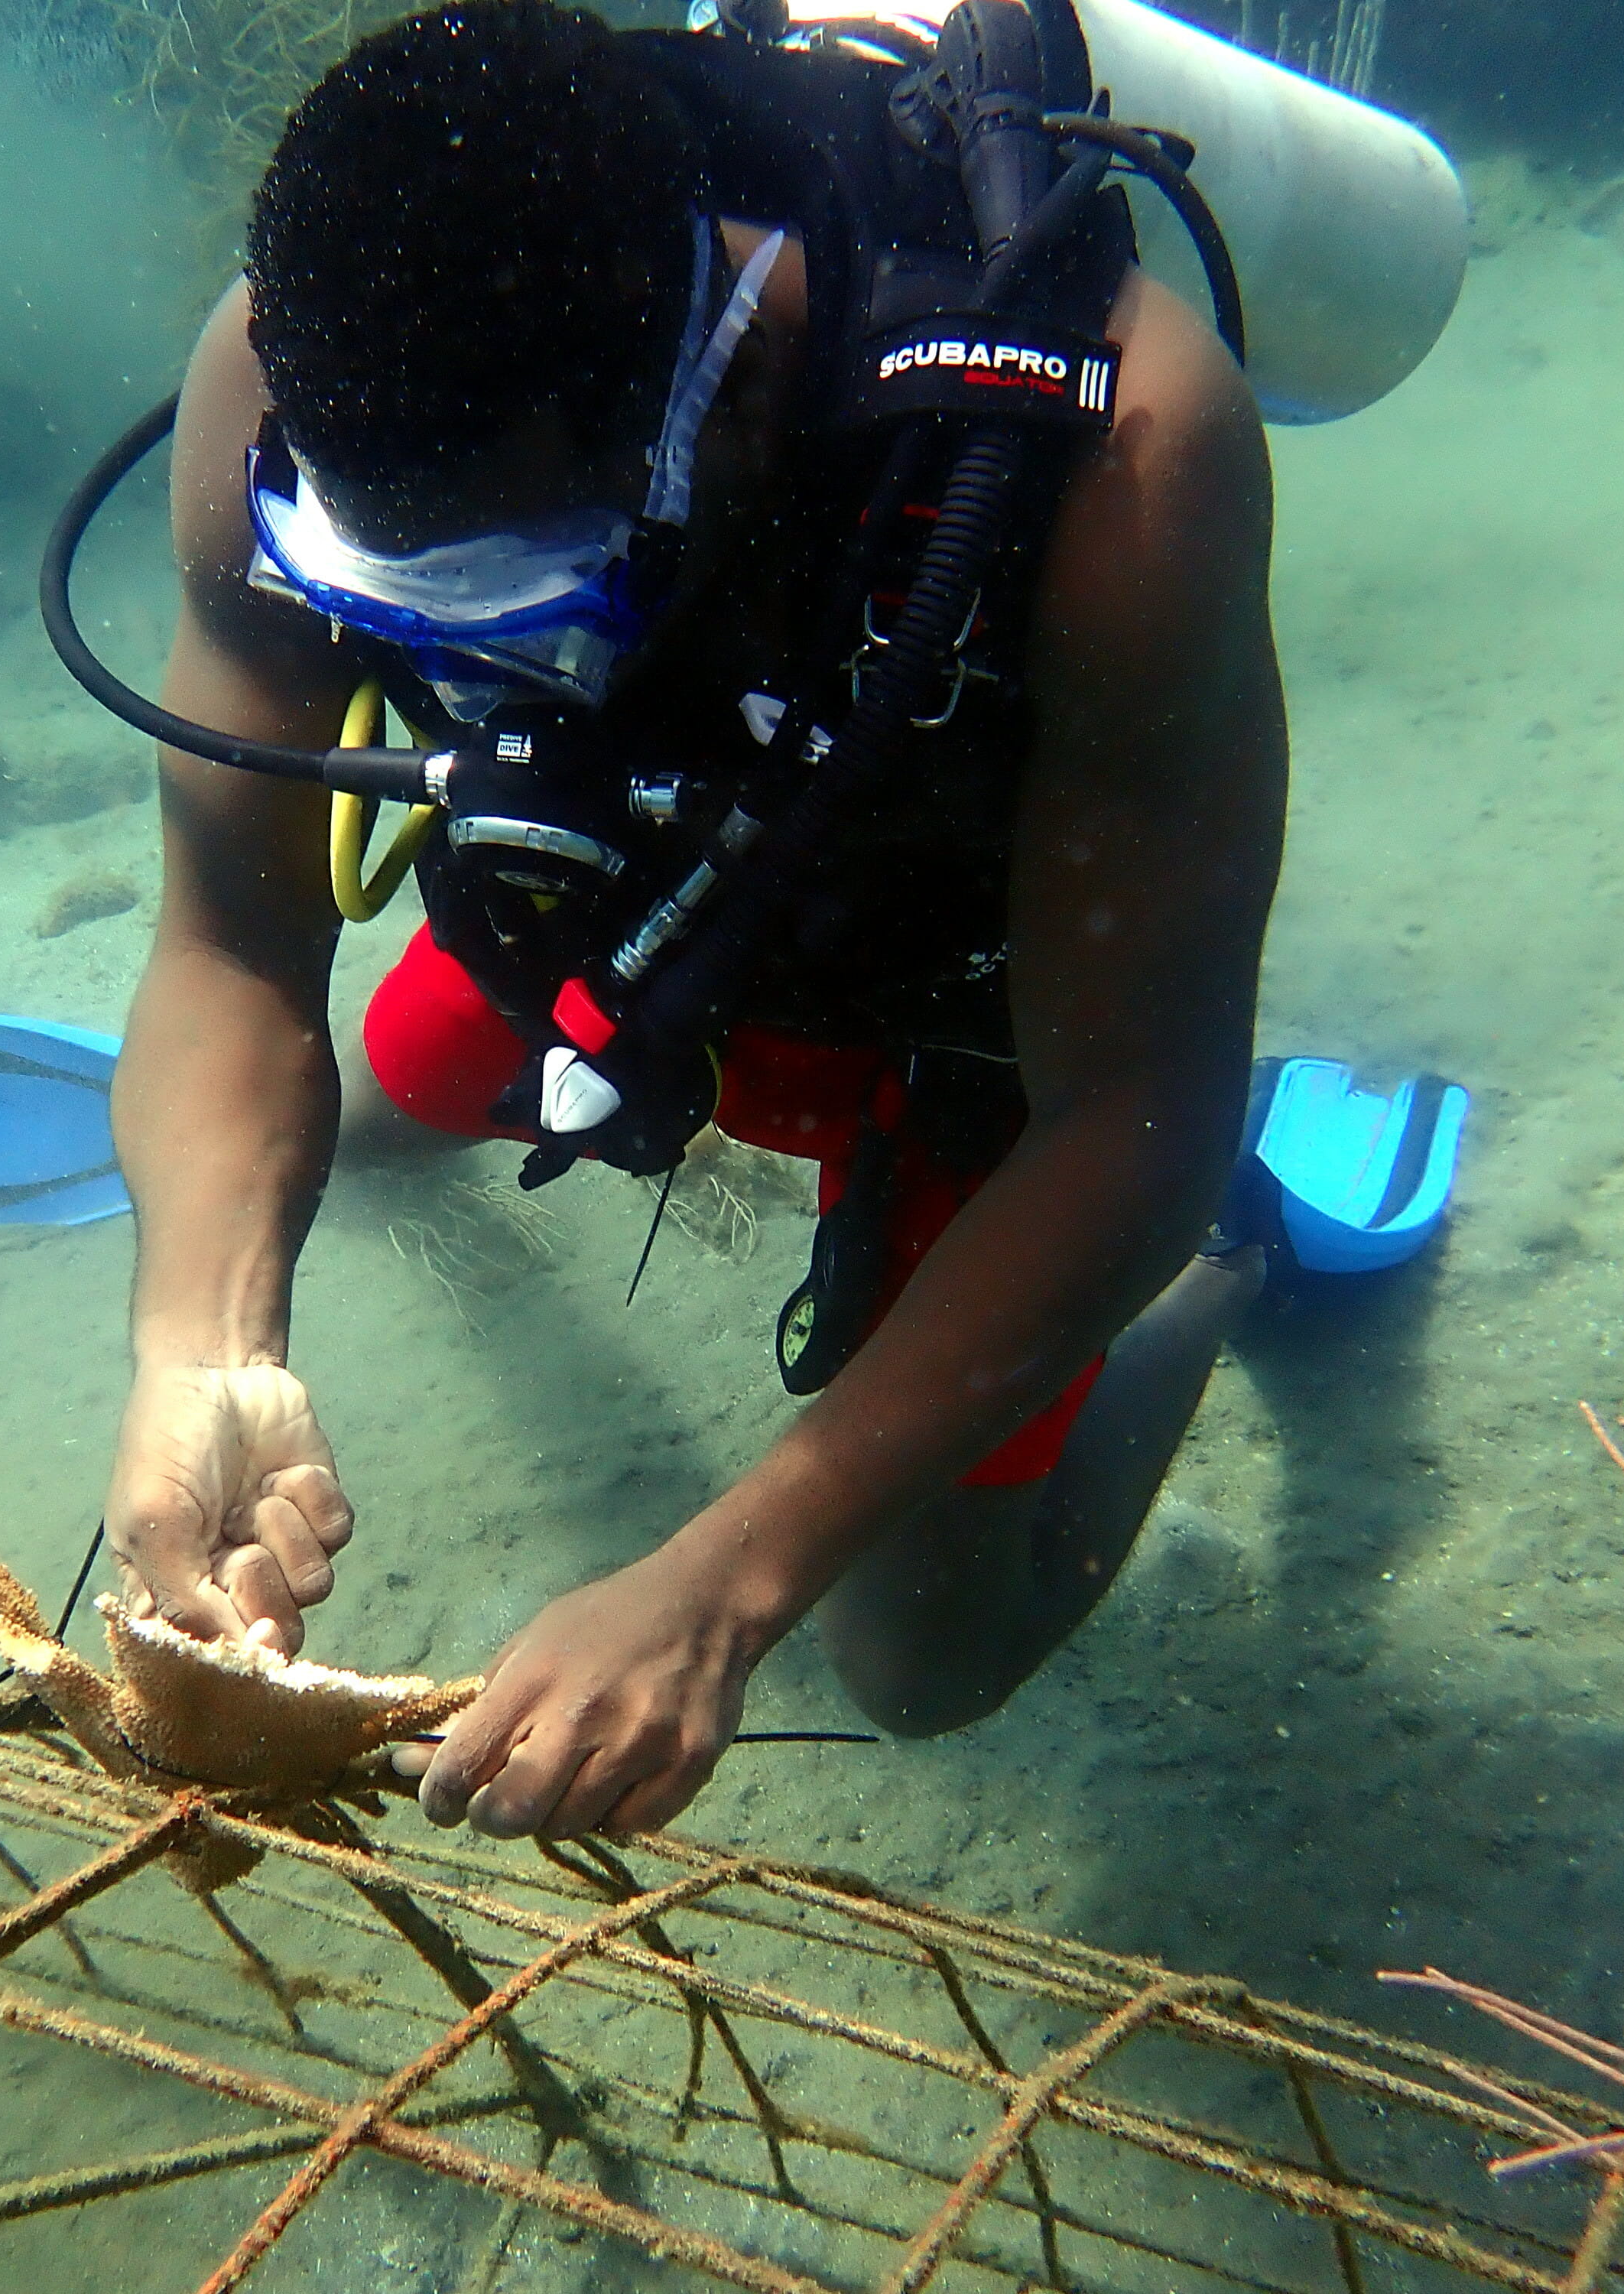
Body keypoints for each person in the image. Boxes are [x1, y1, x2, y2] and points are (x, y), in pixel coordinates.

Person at [102, 0, 1285, 1842]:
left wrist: (731, 1581)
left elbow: (1130, 1104)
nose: (477, 677)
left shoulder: (1125, 467)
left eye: (525, 596)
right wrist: (205, 1346)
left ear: (719, 382)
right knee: (384, 1082)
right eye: (394, 610)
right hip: (634, 900)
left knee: (923, 1667)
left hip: (957, 987)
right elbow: (233, 951)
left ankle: (1233, 1270)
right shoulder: (278, 382)